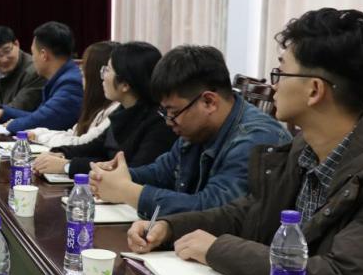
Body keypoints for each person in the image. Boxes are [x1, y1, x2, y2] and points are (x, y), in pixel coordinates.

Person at [129, 9, 363, 275]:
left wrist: (218, 250)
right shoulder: (303, 149)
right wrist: (170, 227)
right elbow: (250, 212)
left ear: (314, 90)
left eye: (280, 74)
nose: (273, 87)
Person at [91, 45, 289, 218]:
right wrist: (117, 176)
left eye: (173, 112)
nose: (168, 122)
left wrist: (127, 190)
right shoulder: (196, 129)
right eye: (165, 112)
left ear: (209, 102)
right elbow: (162, 172)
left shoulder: (256, 139)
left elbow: (212, 211)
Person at [33, 41, 174, 178]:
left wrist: (67, 166)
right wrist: (59, 153)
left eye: (107, 70)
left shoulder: (158, 123)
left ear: (125, 85)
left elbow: (132, 172)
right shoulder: (123, 110)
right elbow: (95, 148)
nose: (103, 77)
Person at [0, 21, 83, 134]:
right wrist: (4, 113)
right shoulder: (62, 77)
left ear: (44, 55)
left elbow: (44, 120)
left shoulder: (71, 83)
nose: (32, 59)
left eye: (33, 53)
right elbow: (38, 115)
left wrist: (12, 125)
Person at [32, 41, 119, 149]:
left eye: (107, 71)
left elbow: (81, 143)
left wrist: (38, 136)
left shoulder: (115, 110)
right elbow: (74, 133)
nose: (81, 72)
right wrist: (38, 133)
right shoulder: (100, 108)